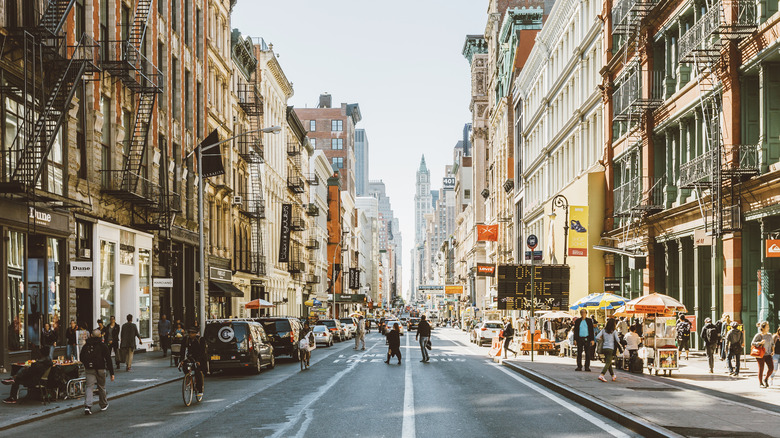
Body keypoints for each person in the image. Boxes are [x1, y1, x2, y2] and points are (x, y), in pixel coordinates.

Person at [80, 329, 115, 414]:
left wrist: (86, 365)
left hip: (89, 369)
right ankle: (103, 404)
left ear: (91, 335)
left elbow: (81, 357)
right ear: (100, 336)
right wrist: (112, 373)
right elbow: (108, 359)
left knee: (89, 387)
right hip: (100, 368)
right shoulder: (103, 345)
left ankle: (88, 406)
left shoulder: (86, 345)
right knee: (101, 386)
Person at [182, 328, 206, 397]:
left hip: (198, 358)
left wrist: (198, 361)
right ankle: (188, 378)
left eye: (192, 333)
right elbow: (182, 350)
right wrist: (182, 360)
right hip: (190, 358)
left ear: (196, 333)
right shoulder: (186, 340)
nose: (190, 334)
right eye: (189, 333)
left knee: (197, 371)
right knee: (185, 367)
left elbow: (202, 352)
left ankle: (199, 389)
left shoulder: (200, 340)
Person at [752, 321, 775, 388]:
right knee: (761, 368)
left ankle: (766, 379)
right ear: (763, 328)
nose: (768, 328)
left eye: (768, 327)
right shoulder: (758, 335)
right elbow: (752, 343)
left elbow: (772, 344)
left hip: (768, 354)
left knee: (771, 368)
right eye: (767, 327)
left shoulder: (770, 335)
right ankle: (760, 382)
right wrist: (759, 343)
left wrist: (773, 351)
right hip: (760, 355)